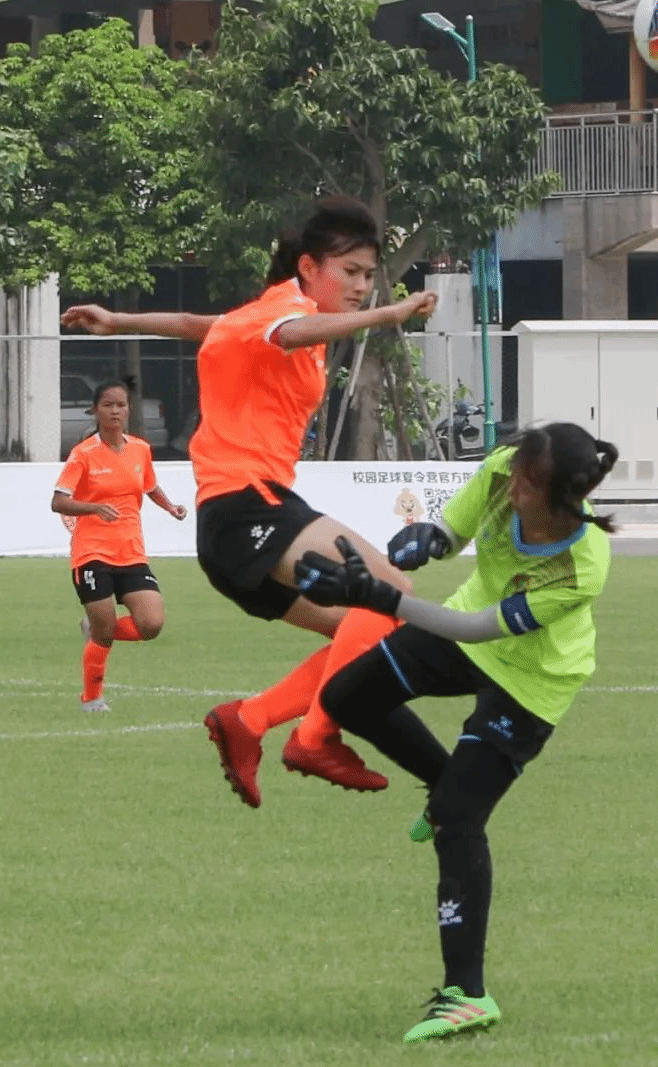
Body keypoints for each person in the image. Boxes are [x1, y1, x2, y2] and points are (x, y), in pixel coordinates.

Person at [61, 196, 438, 799]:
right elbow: (291, 332)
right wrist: (388, 314)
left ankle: (252, 720)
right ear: (309, 268)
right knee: (397, 598)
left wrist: (118, 319)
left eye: (370, 276)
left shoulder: (261, 314)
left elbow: (197, 324)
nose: (362, 286)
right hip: (250, 508)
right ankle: (314, 737)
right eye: (350, 272)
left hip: (234, 529)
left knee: (371, 630)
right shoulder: (290, 312)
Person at [293, 422, 619, 1044]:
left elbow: (475, 629)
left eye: (527, 485)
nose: (512, 488)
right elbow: (451, 533)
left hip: (532, 678)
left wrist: (376, 596)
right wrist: (426, 538)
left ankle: (467, 995)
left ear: (560, 500)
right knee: (346, 696)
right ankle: (447, 787)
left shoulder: (581, 566)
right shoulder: (503, 471)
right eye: (515, 474)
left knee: (457, 820)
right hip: (465, 625)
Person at [51, 377, 188, 712]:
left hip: (131, 552)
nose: (115, 411)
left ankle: (96, 628)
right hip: (92, 553)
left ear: (128, 409)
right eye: (108, 405)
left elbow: (149, 485)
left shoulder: (140, 449)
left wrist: (170, 506)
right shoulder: (83, 454)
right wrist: (93, 508)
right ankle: (92, 698)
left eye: (121, 405)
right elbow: (58, 501)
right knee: (105, 632)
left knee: (151, 625)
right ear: (95, 411)